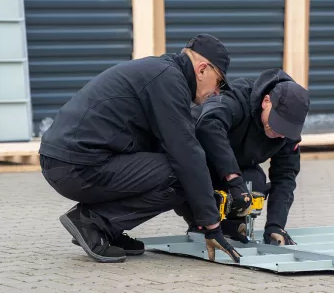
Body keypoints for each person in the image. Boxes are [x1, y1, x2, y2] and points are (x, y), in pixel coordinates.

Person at [38, 34, 244, 263]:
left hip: (68, 161)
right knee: (180, 172)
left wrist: (197, 218)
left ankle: (107, 229)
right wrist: (212, 224)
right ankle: (93, 222)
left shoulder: (162, 73)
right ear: (203, 69)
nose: (217, 92)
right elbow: (186, 155)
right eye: (220, 82)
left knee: (174, 167)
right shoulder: (168, 81)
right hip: (77, 165)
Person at [176, 68, 310, 245]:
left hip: (236, 163)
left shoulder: (287, 131)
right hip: (194, 157)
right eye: (276, 124)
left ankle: (229, 226)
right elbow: (208, 125)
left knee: (255, 183)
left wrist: (276, 226)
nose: (280, 133)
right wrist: (233, 180)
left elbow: (285, 176)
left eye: (286, 130)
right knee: (184, 176)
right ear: (266, 101)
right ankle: (199, 223)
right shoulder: (236, 98)